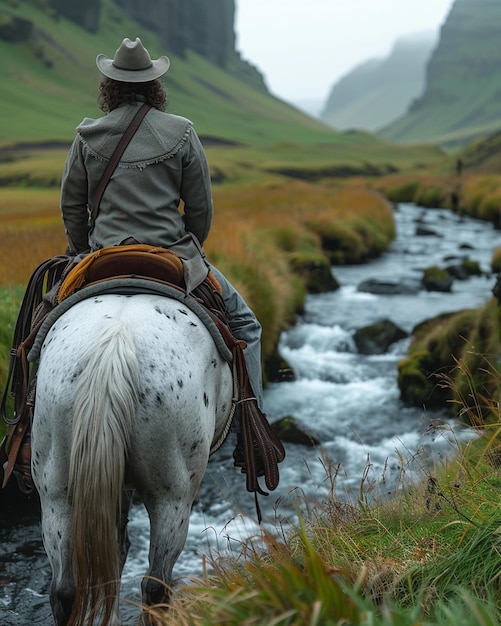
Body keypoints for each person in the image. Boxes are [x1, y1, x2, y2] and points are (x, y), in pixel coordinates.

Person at [60, 37, 265, 412]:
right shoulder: (182, 132)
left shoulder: (86, 136)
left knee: (38, 328)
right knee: (246, 325)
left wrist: (79, 252)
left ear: (109, 87)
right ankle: (250, 426)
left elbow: (71, 206)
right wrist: (191, 250)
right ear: (154, 85)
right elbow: (200, 207)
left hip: (102, 255)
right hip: (171, 256)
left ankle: (23, 428)